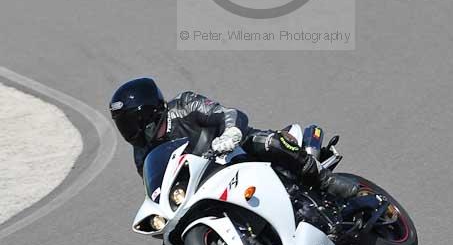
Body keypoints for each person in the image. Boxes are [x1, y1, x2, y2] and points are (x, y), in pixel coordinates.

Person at [109, 77, 359, 201]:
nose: (129, 130)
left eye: (131, 121)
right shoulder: (143, 155)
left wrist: (230, 134)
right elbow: (159, 190)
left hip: (237, 151)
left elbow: (227, 113)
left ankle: (325, 181)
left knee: (268, 143)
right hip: (208, 185)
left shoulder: (184, 105)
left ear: (150, 111)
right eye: (123, 124)